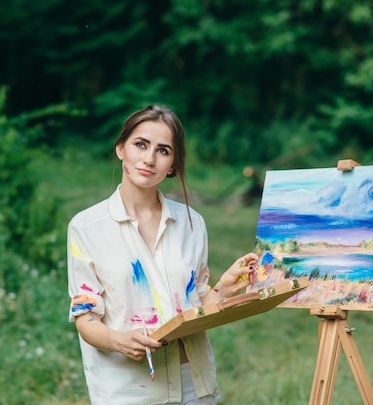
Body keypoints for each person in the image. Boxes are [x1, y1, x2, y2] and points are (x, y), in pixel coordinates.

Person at [67, 104, 259, 404]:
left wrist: (225, 286)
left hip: (194, 386)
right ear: (121, 149)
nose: (149, 158)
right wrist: (119, 341)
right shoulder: (87, 227)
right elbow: (85, 319)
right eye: (140, 144)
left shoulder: (192, 223)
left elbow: (195, 306)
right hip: (129, 389)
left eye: (163, 150)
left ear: (172, 165)